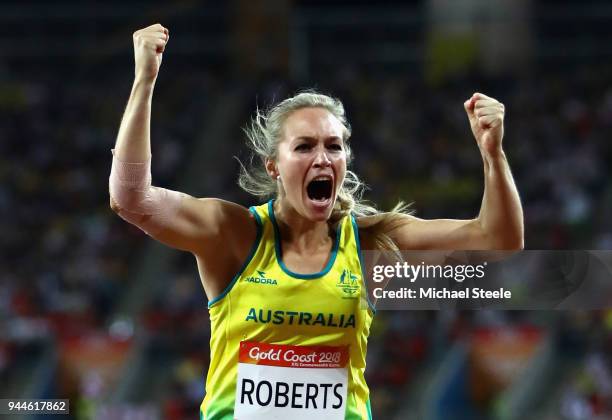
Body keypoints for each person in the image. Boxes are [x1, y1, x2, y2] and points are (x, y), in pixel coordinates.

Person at [109, 24, 523, 419]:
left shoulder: (369, 242)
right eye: (304, 146)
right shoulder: (233, 234)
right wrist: (144, 81)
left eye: (334, 146)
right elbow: (132, 199)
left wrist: (493, 154)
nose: (323, 158)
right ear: (274, 166)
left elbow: (498, 240)